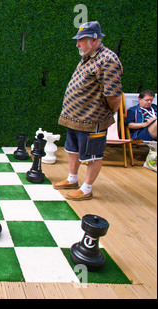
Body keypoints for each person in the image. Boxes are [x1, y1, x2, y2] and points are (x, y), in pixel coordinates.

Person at [53, 21, 123, 201]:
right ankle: (72, 179)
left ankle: (87, 188)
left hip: (93, 119)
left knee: (92, 155)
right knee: (72, 149)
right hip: (75, 118)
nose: (77, 44)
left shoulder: (108, 60)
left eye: (81, 40)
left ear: (94, 39)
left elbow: (114, 96)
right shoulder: (88, 57)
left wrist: (108, 113)